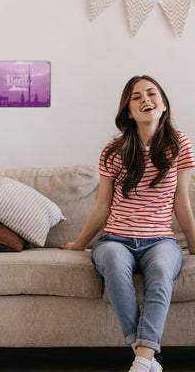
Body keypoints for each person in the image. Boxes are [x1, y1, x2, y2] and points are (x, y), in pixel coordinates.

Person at [61, 75, 195, 372]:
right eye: (136, 97)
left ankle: (141, 361)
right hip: (115, 239)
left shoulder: (180, 145)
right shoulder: (114, 150)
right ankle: (145, 358)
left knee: (161, 271)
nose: (145, 99)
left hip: (160, 241)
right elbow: (102, 207)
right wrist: (79, 244)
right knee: (112, 264)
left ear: (163, 105)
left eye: (151, 94)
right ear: (129, 111)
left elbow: (181, 202)